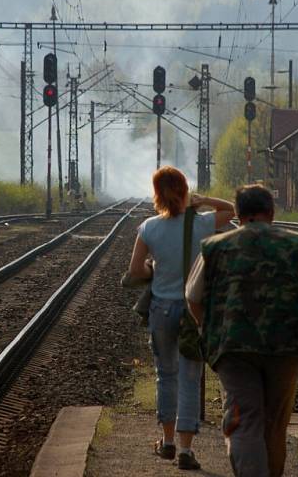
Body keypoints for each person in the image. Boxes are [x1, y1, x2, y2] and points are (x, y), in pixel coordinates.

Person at [186, 184, 298, 477]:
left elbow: (193, 297)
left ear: (238, 214)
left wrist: (208, 327)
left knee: (245, 419)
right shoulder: (294, 246)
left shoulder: (214, 247)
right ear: (272, 212)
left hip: (233, 348)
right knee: (275, 423)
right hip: (284, 348)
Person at [128, 166, 235, 470]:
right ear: (185, 191)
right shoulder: (201, 223)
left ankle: (168, 441)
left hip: (161, 307)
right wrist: (203, 200)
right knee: (191, 378)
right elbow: (231, 210)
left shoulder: (148, 227)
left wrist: (152, 270)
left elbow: (136, 271)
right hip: (193, 309)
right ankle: (186, 449)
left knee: (166, 374)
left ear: (156, 194)